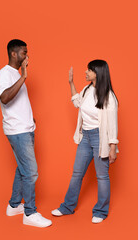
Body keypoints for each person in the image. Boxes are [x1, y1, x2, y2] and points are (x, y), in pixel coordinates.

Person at [51, 60, 119, 223]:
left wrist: (112, 148)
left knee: (102, 176)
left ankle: (101, 212)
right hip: (85, 137)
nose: (86, 72)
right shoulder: (87, 89)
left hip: (100, 138)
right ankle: (67, 207)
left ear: (98, 73)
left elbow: (113, 125)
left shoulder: (109, 97)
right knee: (77, 173)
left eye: (89, 70)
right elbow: (77, 102)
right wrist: (71, 82)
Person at [0, 39, 52, 228]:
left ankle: (13, 206)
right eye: (24, 53)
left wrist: (30, 118)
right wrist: (24, 77)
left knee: (22, 168)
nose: (27, 56)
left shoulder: (15, 74)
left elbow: (18, 102)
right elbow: (4, 98)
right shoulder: (5, 74)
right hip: (18, 131)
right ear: (13, 53)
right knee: (31, 172)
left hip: (25, 128)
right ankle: (30, 212)